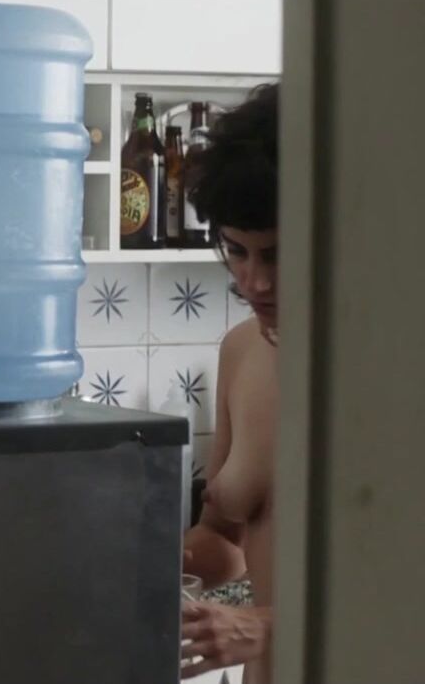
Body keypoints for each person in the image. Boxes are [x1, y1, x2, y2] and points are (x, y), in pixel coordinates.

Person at [179, 83, 279, 684]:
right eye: (237, 251)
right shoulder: (243, 350)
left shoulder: (395, 371)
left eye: (276, 255)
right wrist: (127, 568)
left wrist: (264, 627)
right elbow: (225, 538)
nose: (254, 282)